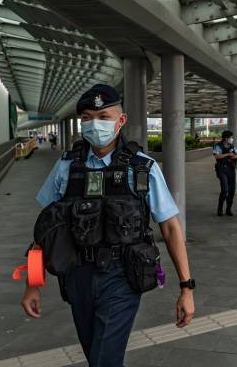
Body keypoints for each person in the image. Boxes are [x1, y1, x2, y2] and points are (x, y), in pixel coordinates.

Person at [22, 84, 195, 367]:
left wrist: (186, 288)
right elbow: (44, 232)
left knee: (104, 361)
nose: (95, 124)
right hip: (77, 276)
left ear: (121, 120)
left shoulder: (143, 168)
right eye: (88, 117)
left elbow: (171, 228)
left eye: (104, 116)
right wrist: (32, 284)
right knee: (98, 358)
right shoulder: (66, 167)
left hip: (123, 275)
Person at [212, 130, 237, 216]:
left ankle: (228, 209)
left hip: (231, 170)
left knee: (232, 191)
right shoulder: (218, 146)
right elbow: (216, 156)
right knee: (225, 190)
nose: (232, 139)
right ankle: (220, 209)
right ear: (226, 138)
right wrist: (228, 154)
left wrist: (235, 156)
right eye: (231, 137)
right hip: (222, 170)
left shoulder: (232, 146)